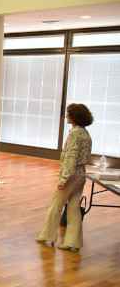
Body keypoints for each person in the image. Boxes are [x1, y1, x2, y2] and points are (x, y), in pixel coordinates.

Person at [37, 104, 93, 252]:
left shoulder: (75, 133)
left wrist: (64, 179)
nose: (67, 116)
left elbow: (71, 157)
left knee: (56, 206)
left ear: (75, 117)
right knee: (74, 208)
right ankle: (73, 242)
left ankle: (47, 235)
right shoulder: (86, 134)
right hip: (81, 174)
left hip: (72, 174)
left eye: (69, 114)